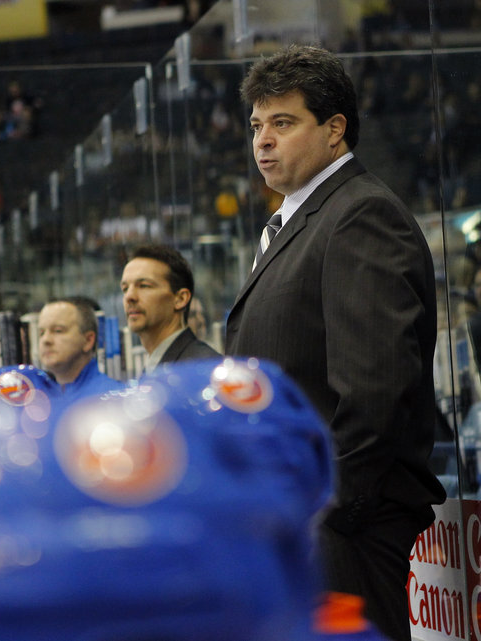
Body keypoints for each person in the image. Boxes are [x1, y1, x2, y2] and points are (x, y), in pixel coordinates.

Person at [223, 44, 445, 641]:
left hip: (342, 526)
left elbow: (375, 389)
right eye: (256, 125)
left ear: (334, 129)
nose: (262, 140)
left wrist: (328, 510)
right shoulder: (296, 220)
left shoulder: (359, 215)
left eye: (283, 123)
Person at [120, 244, 219, 375]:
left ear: (180, 299)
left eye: (144, 286)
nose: (129, 296)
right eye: (125, 288)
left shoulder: (205, 369)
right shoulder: (154, 366)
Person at [37, 297, 120, 401]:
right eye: (41, 333)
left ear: (88, 340)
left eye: (58, 330)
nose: (46, 340)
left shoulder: (111, 398)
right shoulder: (37, 399)